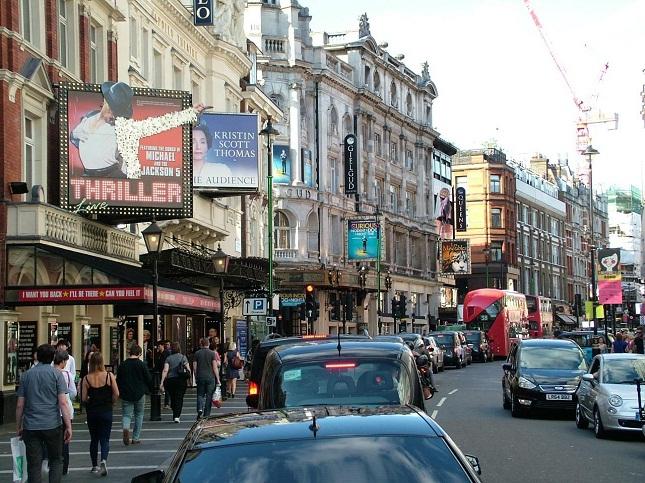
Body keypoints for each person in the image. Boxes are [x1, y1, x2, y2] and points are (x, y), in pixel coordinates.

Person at [16, 344, 72, 483]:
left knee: (34, 464)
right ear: (53, 357)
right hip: (52, 424)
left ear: (37, 357)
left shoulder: (27, 375)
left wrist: (19, 426)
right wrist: (68, 425)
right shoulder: (57, 374)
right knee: (56, 460)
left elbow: (19, 405)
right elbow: (63, 403)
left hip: (31, 425)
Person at [81, 352, 119, 476]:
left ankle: (94, 465)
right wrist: (111, 401)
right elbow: (116, 393)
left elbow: (83, 398)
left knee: (94, 439)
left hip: (92, 412)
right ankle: (103, 460)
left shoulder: (86, 378)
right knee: (105, 439)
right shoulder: (109, 376)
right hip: (106, 410)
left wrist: (90, 400)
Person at [117, 345, 152, 445]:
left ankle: (126, 428)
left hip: (126, 393)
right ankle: (135, 437)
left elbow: (119, 379)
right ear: (140, 353)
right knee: (139, 415)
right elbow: (148, 378)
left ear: (130, 352)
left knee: (126, 415)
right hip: (139, 393)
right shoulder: (141, 364)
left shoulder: (123, 365)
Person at [53, 350, 76, 476]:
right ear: (62, 361)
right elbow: (73, 393)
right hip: (66, 410)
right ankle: (64, 467)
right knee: (65, 440)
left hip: (52, 412)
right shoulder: (67, 375)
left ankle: (53, 464)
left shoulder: (49, 373)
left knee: (53, 440)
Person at [160, 342, 191, 423]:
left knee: (173, 397)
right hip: (181, 380)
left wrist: (162, 382)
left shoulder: (168, 358)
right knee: (179, 398)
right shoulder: (183, 357)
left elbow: (165, 370)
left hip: (170, 380)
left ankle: (175, 412)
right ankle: (177, 416)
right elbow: (188, 369)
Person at [193, 338, 221, 419]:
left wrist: (196, 376)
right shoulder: (212, 353)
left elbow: (195, 367)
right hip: (210, 377)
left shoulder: (197, 353)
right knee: (209, 396)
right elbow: (215, 367)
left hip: (200, 377)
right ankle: (206, 414)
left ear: (201, 344)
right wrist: (218, 379)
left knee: (200, 394)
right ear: (208, 344)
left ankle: (199, 408)